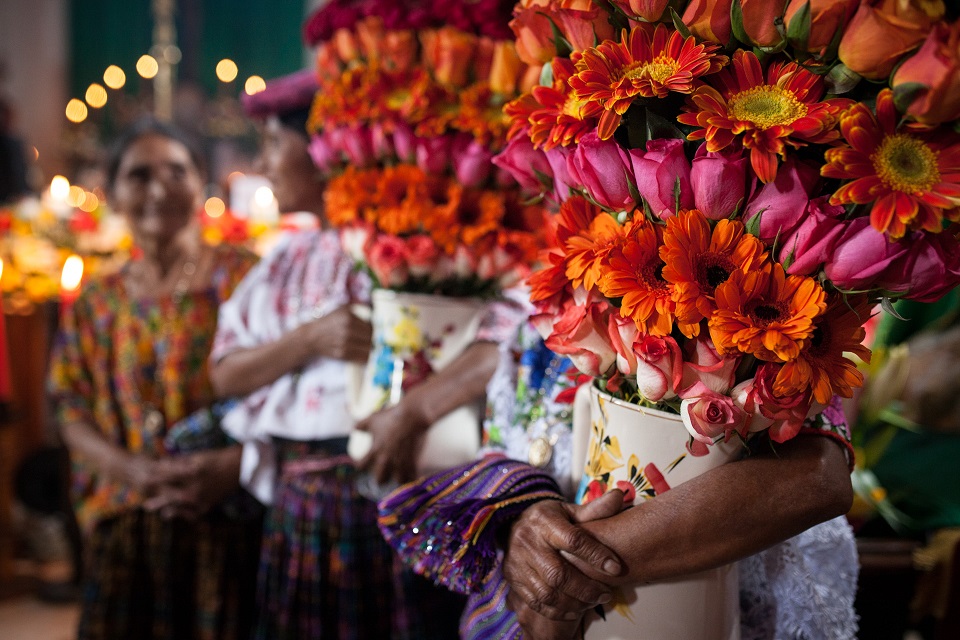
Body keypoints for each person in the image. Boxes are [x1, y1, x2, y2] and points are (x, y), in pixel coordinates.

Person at [210, 69, 501, 639]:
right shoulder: (284, 259)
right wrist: (307, 340)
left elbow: (489, 340)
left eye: (275, 143)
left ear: (325, 149)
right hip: (301, 497)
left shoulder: (409, 245)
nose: (265, 164)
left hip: (392, 487)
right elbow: (224, 374)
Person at [380, 319, 860, 640]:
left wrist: (560, 568)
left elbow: (818, 479)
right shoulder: (530, 311)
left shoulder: (744, 315)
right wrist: (523, 526)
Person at [47, 118, 262, 639]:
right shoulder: (99, 300)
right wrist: (131, 471)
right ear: (114, 190)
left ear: (200, 182)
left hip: (225, 513)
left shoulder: (245, 277)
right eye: (139, 175)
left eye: (176, 171)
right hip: (128, 516)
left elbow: (289, 391)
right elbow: (69, 405)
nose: (159, 188)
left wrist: (234, 466)